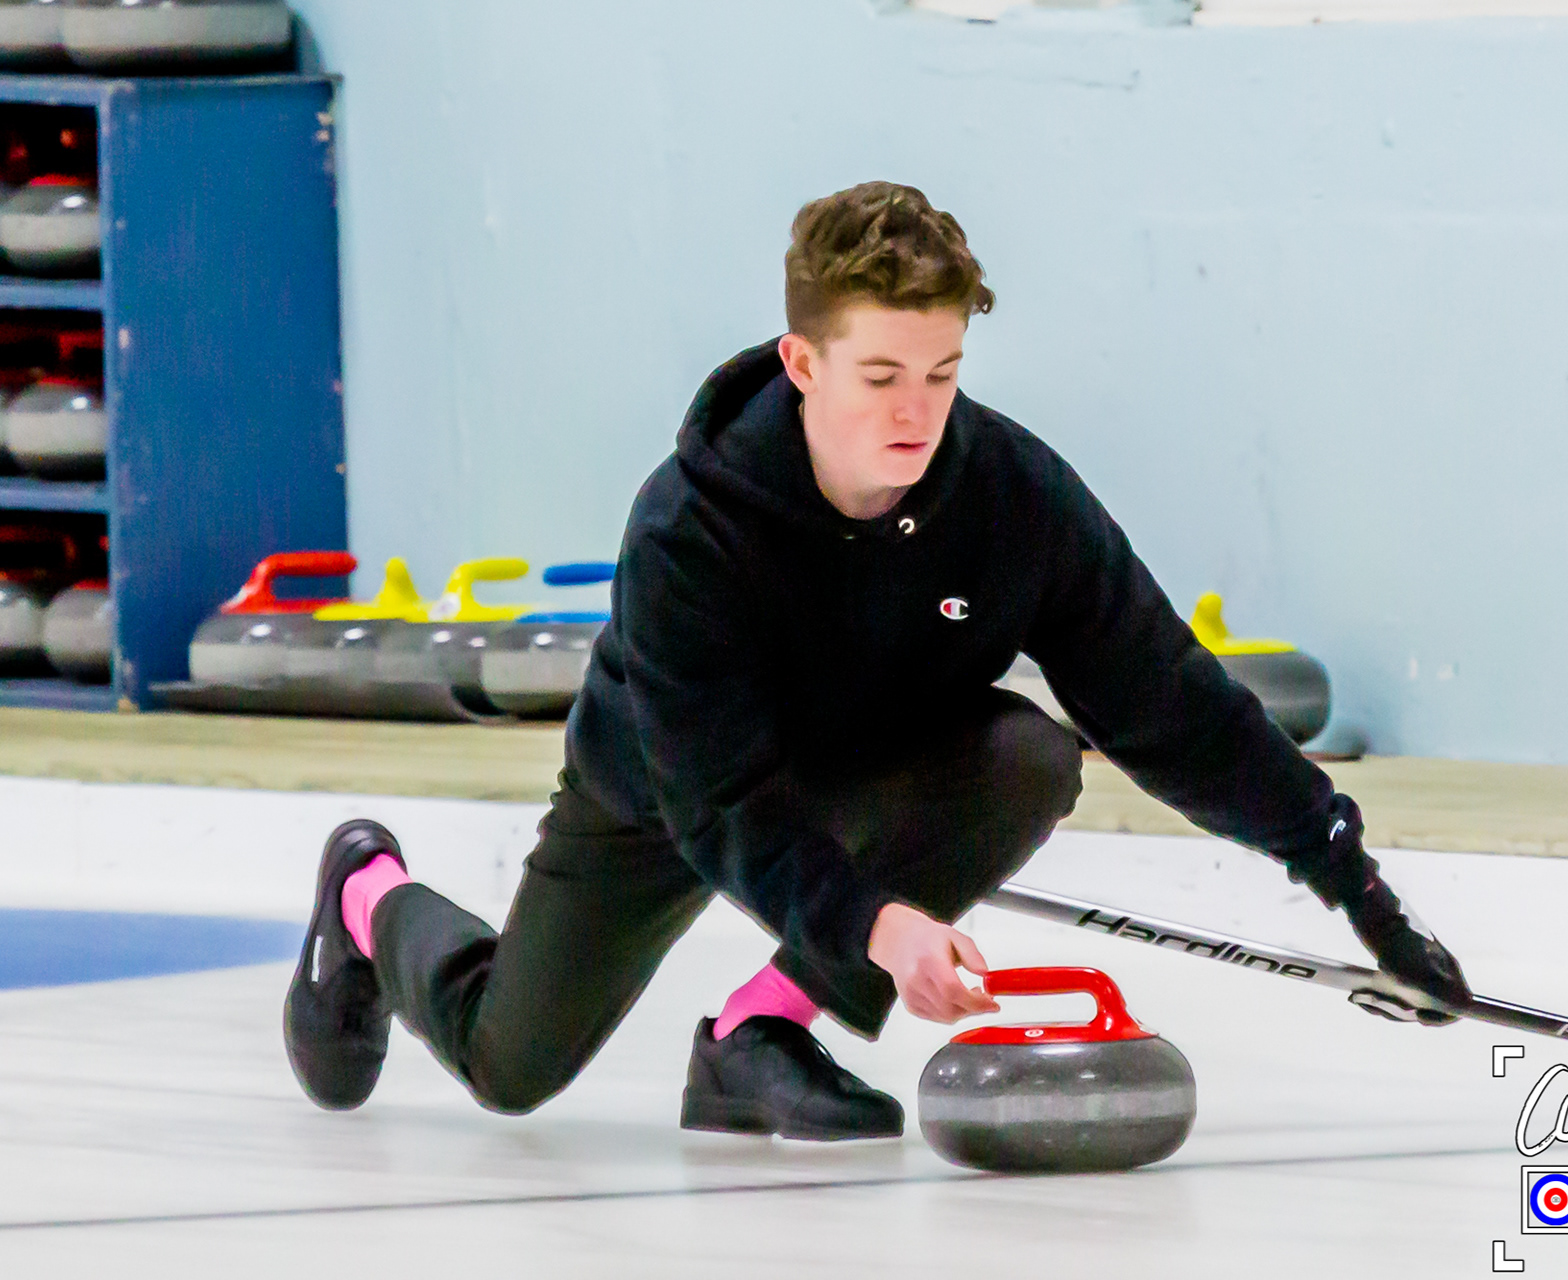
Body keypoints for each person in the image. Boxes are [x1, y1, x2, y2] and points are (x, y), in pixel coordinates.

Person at [283, 181, 1471, 1139]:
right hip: (669, 794)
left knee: (1027, 757)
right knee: (510, 1064)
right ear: (803, 364)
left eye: (942, 375)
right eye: (882, 377)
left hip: (860, 773)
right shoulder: (688, 530)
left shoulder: (1012, 497)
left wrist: (1351, 880)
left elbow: (1172, 700)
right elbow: (722, 806)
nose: (916, 414)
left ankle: (761, 1026)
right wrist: (880, 926)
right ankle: (366, 895)